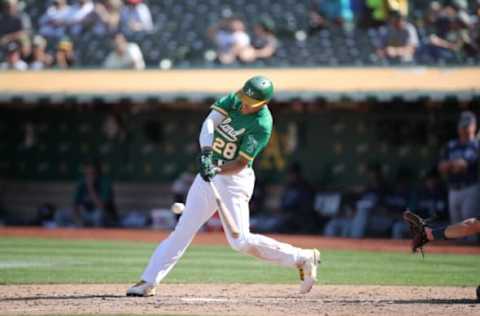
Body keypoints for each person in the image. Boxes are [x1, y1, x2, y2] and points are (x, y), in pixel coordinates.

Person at [126, 76, 320, 297]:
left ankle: (303, 258)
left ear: (264, 103)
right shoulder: (235, 99)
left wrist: (217, 169)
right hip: (209, 173)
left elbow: (240, 163)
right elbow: (209, 123)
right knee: (183, 230)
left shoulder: (261, 125)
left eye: (250, 102)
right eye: (244, 98)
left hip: (234, 181)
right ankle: (148, 281)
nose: (244, 104)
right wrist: (207, 153)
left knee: (241, 242)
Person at [438, 111, 480, 225]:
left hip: (470, 188)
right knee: (455, 228)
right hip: (453, 189)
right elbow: (441, 166)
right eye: (463, 126)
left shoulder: (476, 145)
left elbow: (464, 165)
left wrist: (452, 165)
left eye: (468, 125)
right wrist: (454, 165)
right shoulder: (451, 145)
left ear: (474, 126)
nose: (465, 129)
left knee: (469, 226)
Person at [73, 160, 117, 227]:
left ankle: (97, 235)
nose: (89, 176)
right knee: (60, 215)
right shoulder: (82, 183)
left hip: (103, 215)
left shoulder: (105, 183)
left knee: (98, 216)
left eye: (92, 173)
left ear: (98, 174)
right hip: (85, 214)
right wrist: (77, 217)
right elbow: (75, 205)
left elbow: (102, 207)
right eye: (87, 173)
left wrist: (91, 188)